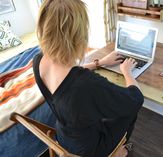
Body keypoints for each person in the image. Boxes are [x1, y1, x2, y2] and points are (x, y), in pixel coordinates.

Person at [33, 0, 144, 156]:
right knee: (129, 110)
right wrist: (127, 71)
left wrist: (100, 62)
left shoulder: (38, 60)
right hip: (90, 150)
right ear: (78, 34)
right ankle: (120, 151)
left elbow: (68, 75)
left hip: (64, 135)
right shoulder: (86, 84)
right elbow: (136, 98)